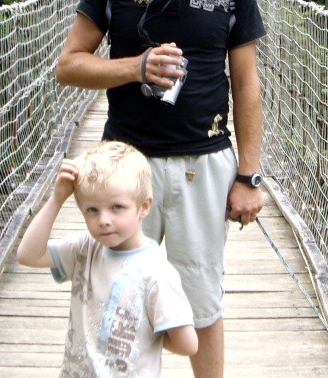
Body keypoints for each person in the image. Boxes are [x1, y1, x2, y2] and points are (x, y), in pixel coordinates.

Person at [55, 0, 266, 378]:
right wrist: (136, 67)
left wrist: (249, 177)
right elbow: (68, 66)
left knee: (202, 304)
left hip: (205, 164)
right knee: (114, 300)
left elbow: (247, 84)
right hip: (126, 167)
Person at [16, 140, 198, 376]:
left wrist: (142, 333)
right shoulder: (86, 249)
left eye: (117, 207)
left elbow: (189, 344)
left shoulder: (157, 273)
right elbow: (28, 255)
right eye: (92, 210)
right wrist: (57, 199)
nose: (104, 219)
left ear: (144, 207)